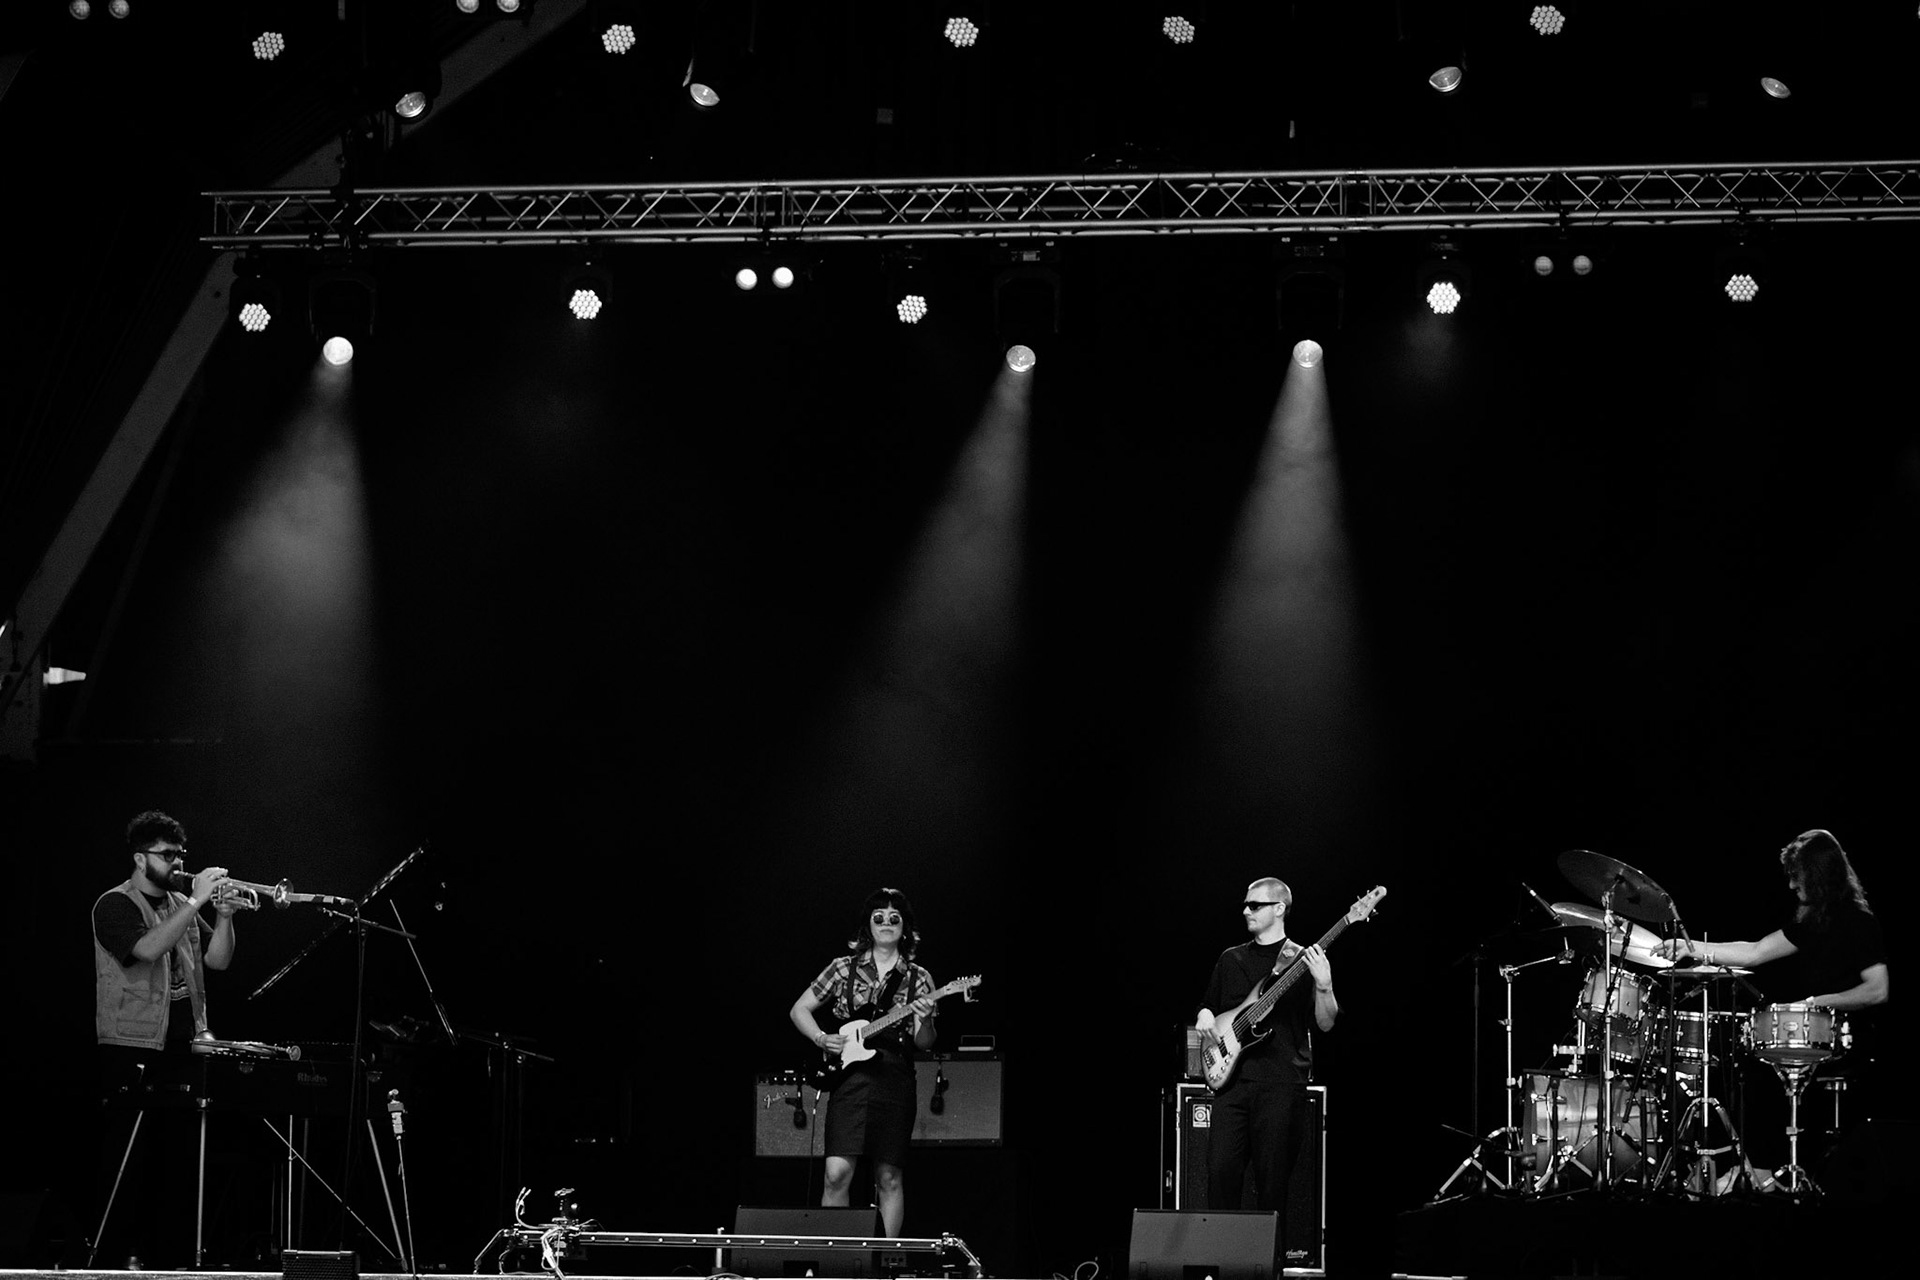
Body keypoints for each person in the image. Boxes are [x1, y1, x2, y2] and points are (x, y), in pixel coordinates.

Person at [1654, 828, 1888, 1134]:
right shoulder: (1814, 922)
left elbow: (1877, 989)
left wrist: (1816, 1004)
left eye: (1797, 875)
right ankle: (1761, 1168)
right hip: (1819, 1037)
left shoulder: (1859, 923)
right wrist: (1690, 947)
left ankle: (1766, 1168)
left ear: (1817, 875)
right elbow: (1755, 952)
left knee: (1762, 1075)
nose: (1791, 884)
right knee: (1750, 1064)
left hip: (1851, 1040)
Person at [89, 810, 239, 1267]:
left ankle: (168, 1259)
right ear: (140, 858)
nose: (178, 863)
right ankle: (112, 1260)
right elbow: (147, 950)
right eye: (167, 855)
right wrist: (196, 901)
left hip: (183, 1045)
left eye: (180, 854)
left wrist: (226, 915)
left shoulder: (181, 904)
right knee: (128, 1164)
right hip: (130, 1046)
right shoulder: (113, 904)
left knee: (175, 1163)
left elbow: (217, 962)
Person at [789, 887, 939, 1238]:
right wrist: (820, 1038)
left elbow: (924, 1043)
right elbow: (799, 1009)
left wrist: (928, 1018)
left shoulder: (920, 978)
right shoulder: (843, 968)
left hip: (895, 1077)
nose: (886, 923)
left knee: (889, 1176)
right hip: (851, 1079)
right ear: (867, 925)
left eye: (894, 918)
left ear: (905, 927)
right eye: (879, 917)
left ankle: (886, 1259)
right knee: (836, 1173)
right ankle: (838, 1259)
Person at [1195, 877, 1337, 1218]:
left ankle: (1269, 1268)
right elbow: (1209, 1007)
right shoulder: (1230, 958)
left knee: (1272, 1186)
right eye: (1246, 905)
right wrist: (1203, 1016)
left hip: (1280, 1085)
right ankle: (1222, 1265)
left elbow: (1327, 1023)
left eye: (1255, 905)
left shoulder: (1300, 959)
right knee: (1220, 1175)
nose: (1246, 910)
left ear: (1279, 909)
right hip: (1231, 1085)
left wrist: (1325, 985)